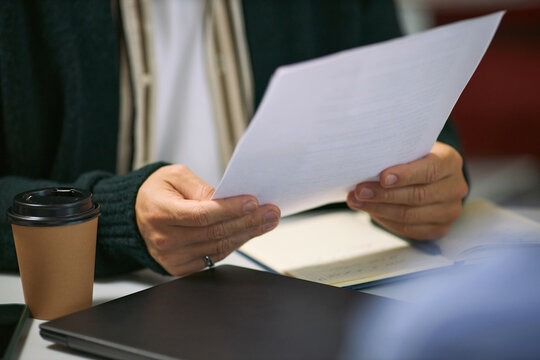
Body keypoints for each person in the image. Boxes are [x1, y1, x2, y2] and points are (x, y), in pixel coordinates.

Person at [0, 0, 468, 277]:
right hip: (91, 303)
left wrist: (430, 185)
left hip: (323, 284)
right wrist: (113, 219)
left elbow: (421, 128)